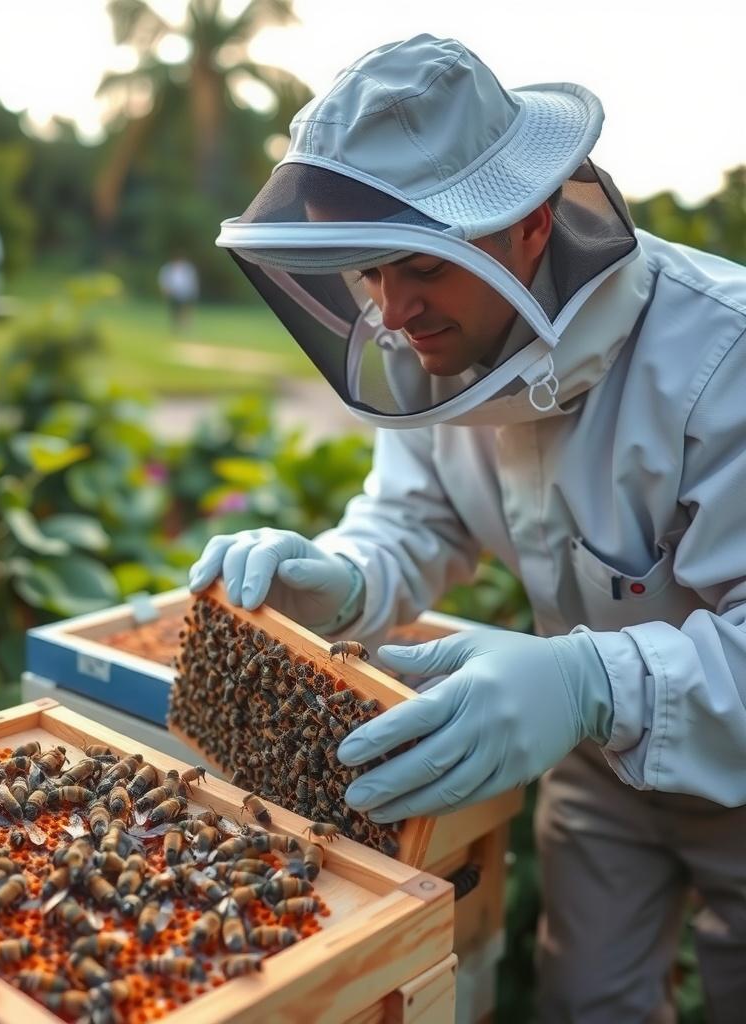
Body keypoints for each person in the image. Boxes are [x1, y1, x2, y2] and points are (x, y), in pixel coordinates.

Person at [188, 34, 746, 1023]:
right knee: (584, 1001)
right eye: (365, 274)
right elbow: (415, 517)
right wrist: (349, 576)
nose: (393, 314)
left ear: (530, 224)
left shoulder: (720, 357)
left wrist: (583, 680)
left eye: (416, 268)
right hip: (596, 772)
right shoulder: (435, 350)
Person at [157, 253, 199, 332]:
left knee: (185, 311)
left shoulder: (187, 268)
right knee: (174, 311)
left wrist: (192, 292)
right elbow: (164, 280)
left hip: (185, 293)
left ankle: (185, 327)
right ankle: (175, 327)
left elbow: (192, 281)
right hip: (173, 293)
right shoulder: (168, 268)